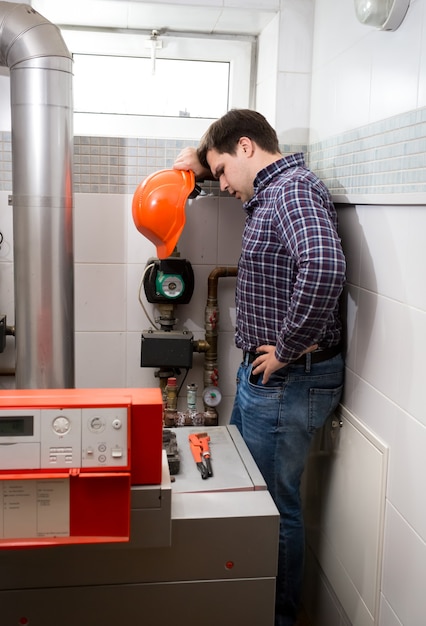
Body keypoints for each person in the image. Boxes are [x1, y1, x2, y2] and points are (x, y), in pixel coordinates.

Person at [174, 109, 346, 626]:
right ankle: (250, 601)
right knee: (249, 496)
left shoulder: (292, 189)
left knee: (274, 510)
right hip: (268, 380)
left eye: (222, 171)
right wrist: (201, 166)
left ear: (246, 147)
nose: (221, 185)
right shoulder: (268, 190)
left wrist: (288, 347)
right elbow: (228, 164)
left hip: (287, 378)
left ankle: (277, 618)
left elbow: (325, 266)